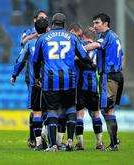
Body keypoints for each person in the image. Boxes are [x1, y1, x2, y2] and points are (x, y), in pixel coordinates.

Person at [33, 12, 95, 152]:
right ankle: (70, 140)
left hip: (50, 80)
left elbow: (36, 61)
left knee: (52, 110)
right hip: (69, 79)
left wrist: (37, 77)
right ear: (64, 23)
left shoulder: (42, 38)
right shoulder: (72, 38)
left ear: (52, 23)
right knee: (70, 108)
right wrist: (92, 65)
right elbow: (84, 56)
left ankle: (53, 145)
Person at [85, 13, 124, 151]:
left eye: (97, 23)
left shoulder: (107, 36)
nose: (94, 26)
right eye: (94, 23)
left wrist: (78, 49)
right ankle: (115, 140)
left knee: (106, 109)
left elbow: (96, 45)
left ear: (106, 23)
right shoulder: (113, 36)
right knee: (109, 109)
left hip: (109, 76)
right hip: (116, 74)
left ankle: (114, 143)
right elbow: (121, 55)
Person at [10, 18, 49, 150]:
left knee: (36, 112)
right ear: (48, 28)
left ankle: (38, 142)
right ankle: (48, 135)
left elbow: (20, 60)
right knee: (51, 111)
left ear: (35, 29)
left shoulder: (30, 43)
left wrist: (14, 75)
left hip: (35, 83)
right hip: (52, 83)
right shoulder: (53, 42)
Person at [75, 29, 104, 150]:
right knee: (96, 114)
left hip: (80, 85)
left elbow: (75, 59)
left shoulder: (81, 48)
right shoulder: (98, 50)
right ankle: (99, 143)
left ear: (84, 37)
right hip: (93, 86)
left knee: (79, 114)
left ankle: (80, 143)